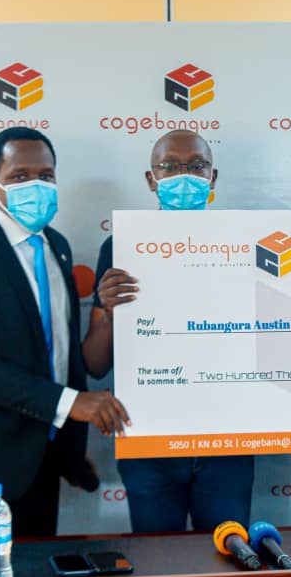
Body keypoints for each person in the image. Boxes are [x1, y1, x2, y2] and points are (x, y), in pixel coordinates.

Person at [0, 127, 131, 540]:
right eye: (20, 176)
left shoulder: (57, 247)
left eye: (47, 176)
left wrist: (71, 449)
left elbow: (62, 353)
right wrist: (73, 404)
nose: (37, 185)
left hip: (42, 462)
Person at [82, 129, 255, 533]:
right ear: (150, 179)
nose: (185, 176)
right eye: (170, 167)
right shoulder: (121, 246)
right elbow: (94, 363)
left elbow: (272, 337)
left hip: (225, 441)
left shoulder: (246, 244)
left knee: (230, 564)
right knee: (160, 568)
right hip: (150, 443)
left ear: (213, 178)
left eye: (197, 166)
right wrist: (107, 312)